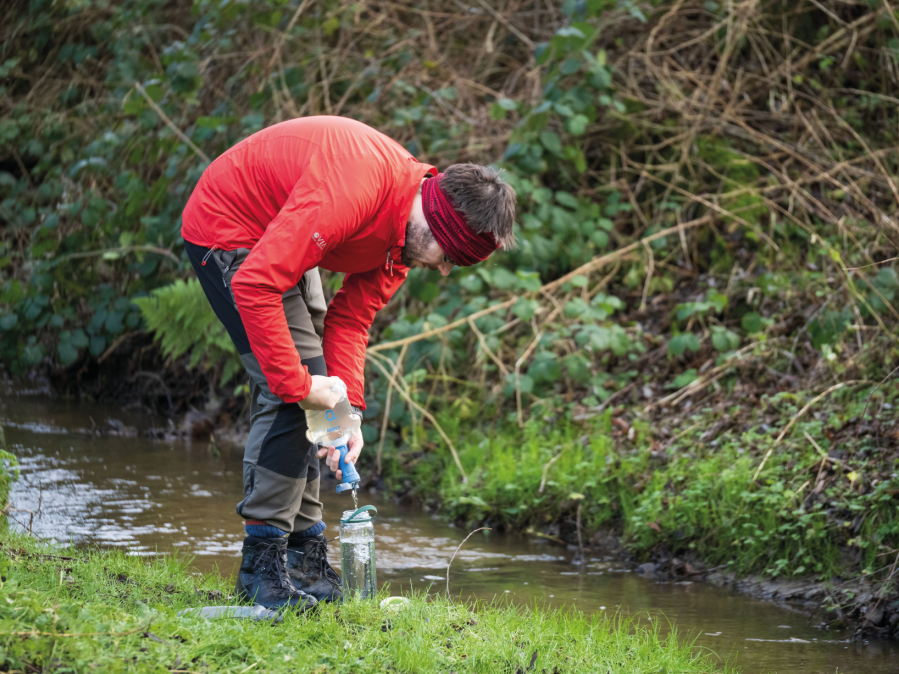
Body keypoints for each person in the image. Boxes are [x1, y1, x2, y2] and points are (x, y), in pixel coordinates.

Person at [181, 115, 516, 611]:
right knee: (292, 397)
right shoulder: (356, 188)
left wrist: (349, 412)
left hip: (283, 235)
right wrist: (298, 385)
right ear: (440, 221)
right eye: (452, 256)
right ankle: (261, 570)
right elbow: (255, 284)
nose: (444, 270)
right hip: (229, 226)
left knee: (325, 403)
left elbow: (352, 321)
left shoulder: (407, 237)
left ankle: (305, 558)